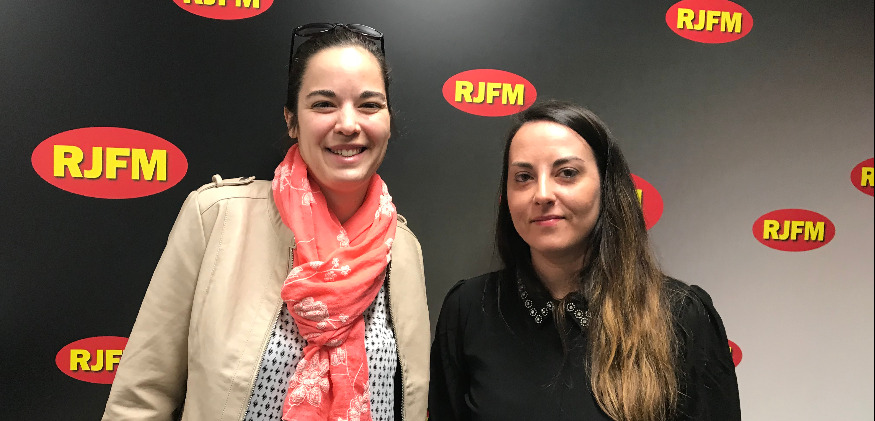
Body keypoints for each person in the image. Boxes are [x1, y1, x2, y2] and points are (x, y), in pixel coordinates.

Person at [103, 23, 430, 421]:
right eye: (323, 104)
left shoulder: (404, 250)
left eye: (369, 105)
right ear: (292, 121)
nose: (348, 124)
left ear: (388, 121)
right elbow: (140, 400)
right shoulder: (218, 219)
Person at [428, 100, 740, 421]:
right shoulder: (468, 309)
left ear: (606, 185)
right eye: (523, 177)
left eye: (567, 173)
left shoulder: (681, 316)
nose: (542, 194)